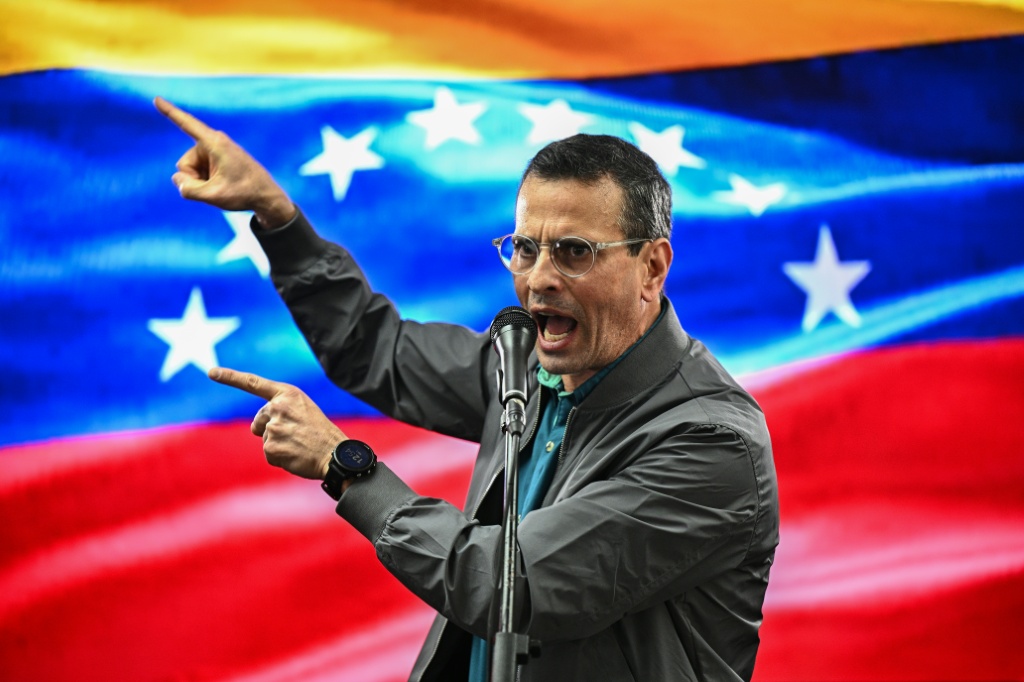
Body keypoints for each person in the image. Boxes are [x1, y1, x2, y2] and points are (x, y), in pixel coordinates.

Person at [155, 96, 780, 681]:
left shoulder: (713, 443)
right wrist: (277, 217)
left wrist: (345, 467)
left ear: (652, 267)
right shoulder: (525, 365)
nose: (539, 278)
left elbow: (511, 585)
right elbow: (375, 349)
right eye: (525, 248)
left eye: (574, 252)